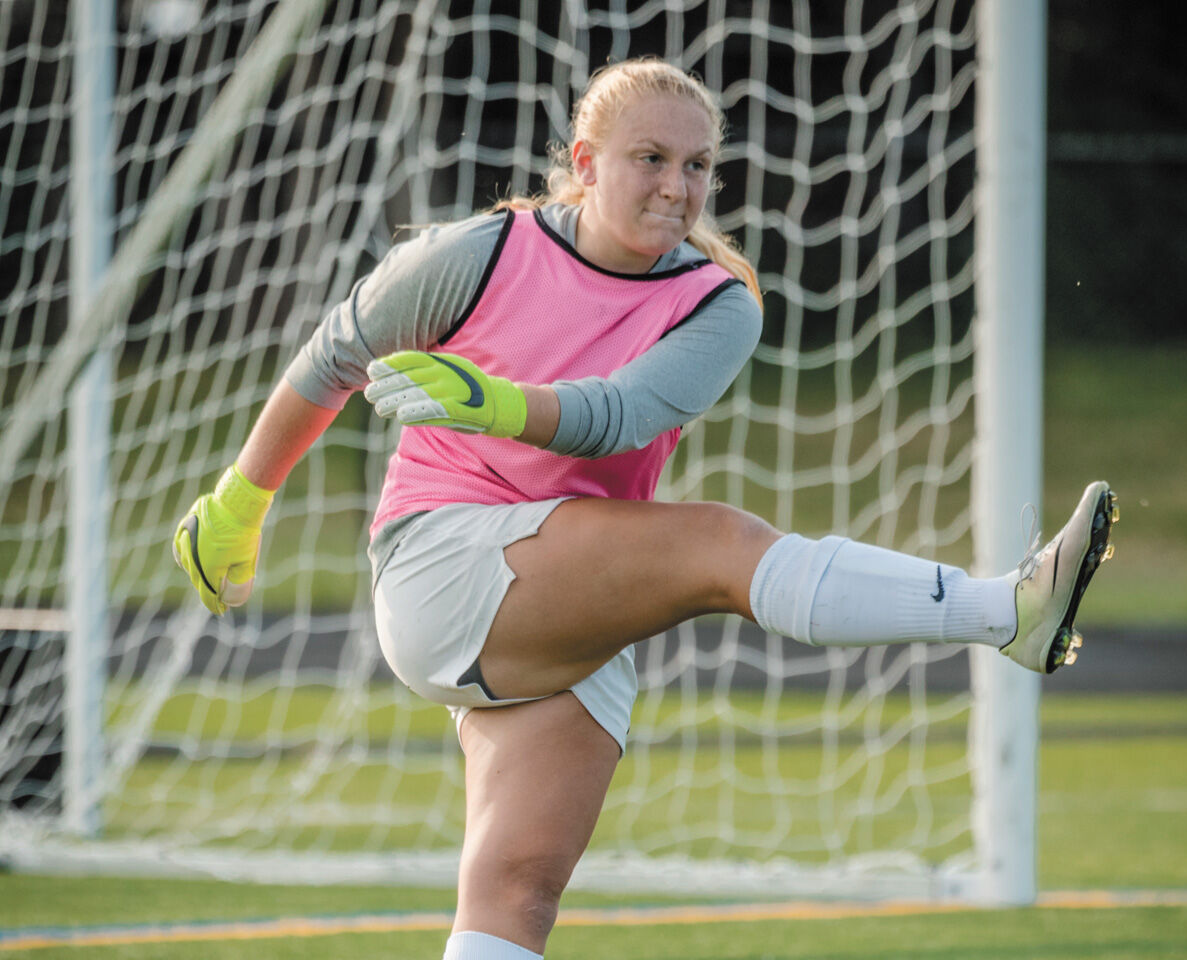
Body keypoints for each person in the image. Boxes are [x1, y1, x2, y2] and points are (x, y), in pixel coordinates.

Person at [172, 58, 1117, 960]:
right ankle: (1007, 611)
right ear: (585, 164)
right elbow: (335, 355)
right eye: (651, 159)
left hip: (569, 599)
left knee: (515, 895)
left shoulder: (719, 305)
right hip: (443, 566)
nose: (677, 186)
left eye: (697, 165)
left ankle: (1011, 615)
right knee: (715, 544)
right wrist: (239, 503)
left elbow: (618, 417)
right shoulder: (479, 252)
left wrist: (495, 402)